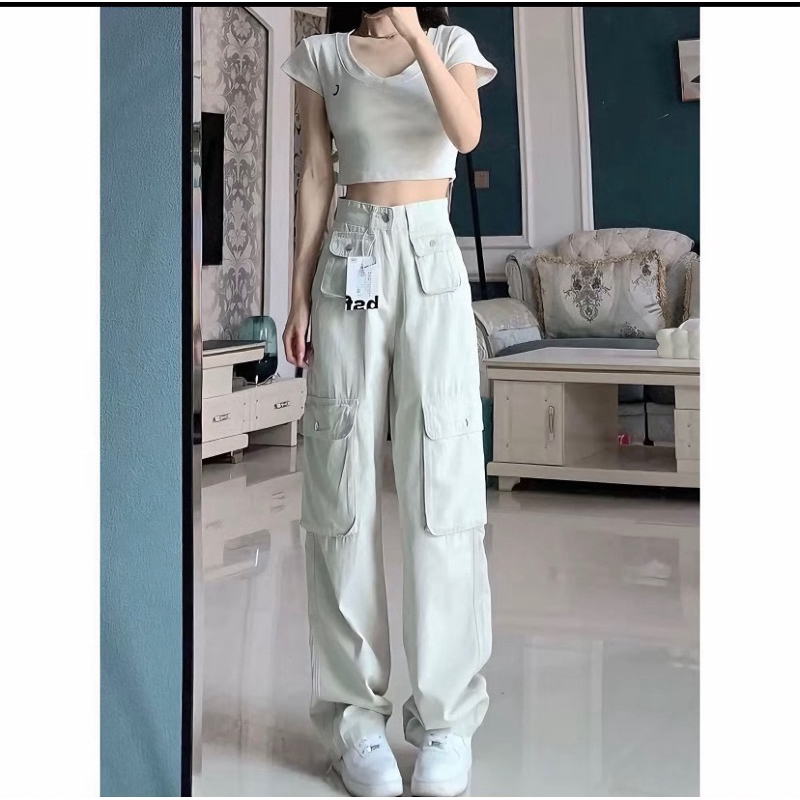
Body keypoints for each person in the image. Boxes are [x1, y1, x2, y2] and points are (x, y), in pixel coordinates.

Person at [281, 6, 496, 797]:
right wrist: (297, 295)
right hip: (349, 258)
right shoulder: (319, 55)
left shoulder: (450, 44)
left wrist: (413, 37)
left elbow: (465, 133)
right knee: (341, 487)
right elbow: (316, 174)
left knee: (443, 486)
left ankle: (445, 721)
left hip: (431, 255)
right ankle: (353, 721)